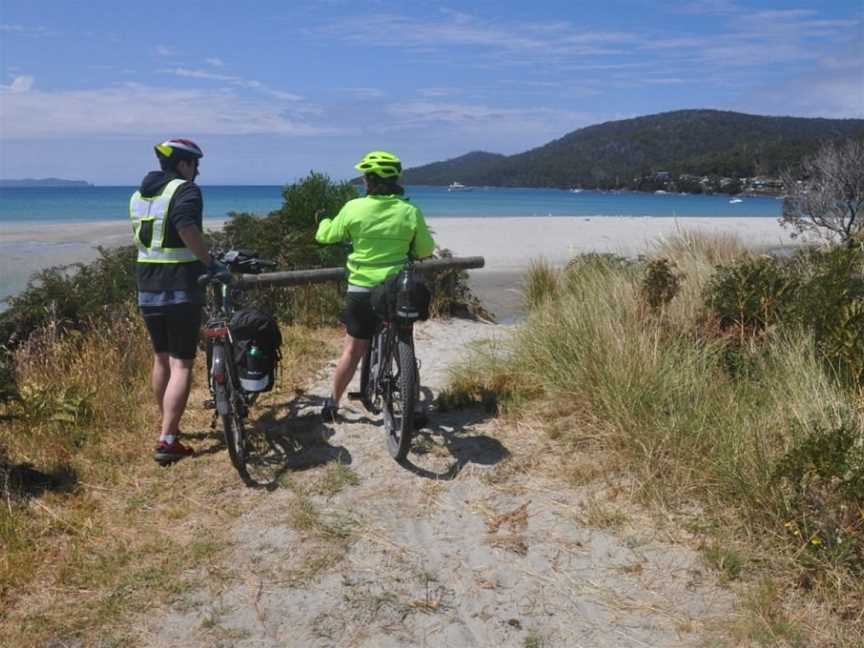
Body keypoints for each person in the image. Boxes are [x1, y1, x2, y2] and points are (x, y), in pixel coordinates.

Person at [315, 150, 436, 419]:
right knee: (404, 339)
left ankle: (332, 405)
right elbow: (426, 249)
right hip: (397, 289)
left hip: (361, 289)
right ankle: (412, 407)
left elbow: (327, 235)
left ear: (370, 181)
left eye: (364, 178)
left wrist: (322, 220)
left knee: (353, 349)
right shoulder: (409, 210)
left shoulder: (353, 208)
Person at [130, 138, 223, 465]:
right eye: (195, 164)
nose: (197, 171)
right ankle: (168, 439)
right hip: (180, 285)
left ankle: (169, 426)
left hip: (147, 285)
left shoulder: (140, 194)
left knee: (161, 358)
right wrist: (210, 263)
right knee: (182, 362)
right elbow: (186, 229)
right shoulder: (185, 190)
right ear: (183, 164)